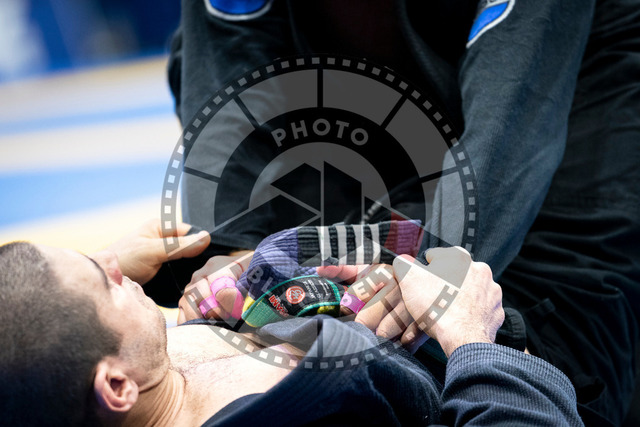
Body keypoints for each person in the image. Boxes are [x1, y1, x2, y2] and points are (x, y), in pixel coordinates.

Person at [167, 0, 640, 424]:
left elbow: (516, 107)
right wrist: (239, 250)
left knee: (544, 328)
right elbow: (225, 52)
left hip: (572, 110)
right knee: (329, 297)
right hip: (363, 107)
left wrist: (428, 271)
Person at [0, 220, 584, 426]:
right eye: (103, 279)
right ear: (116, 386)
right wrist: (474, 344)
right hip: (526, 368)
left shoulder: (115, 377)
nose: (111, 261)